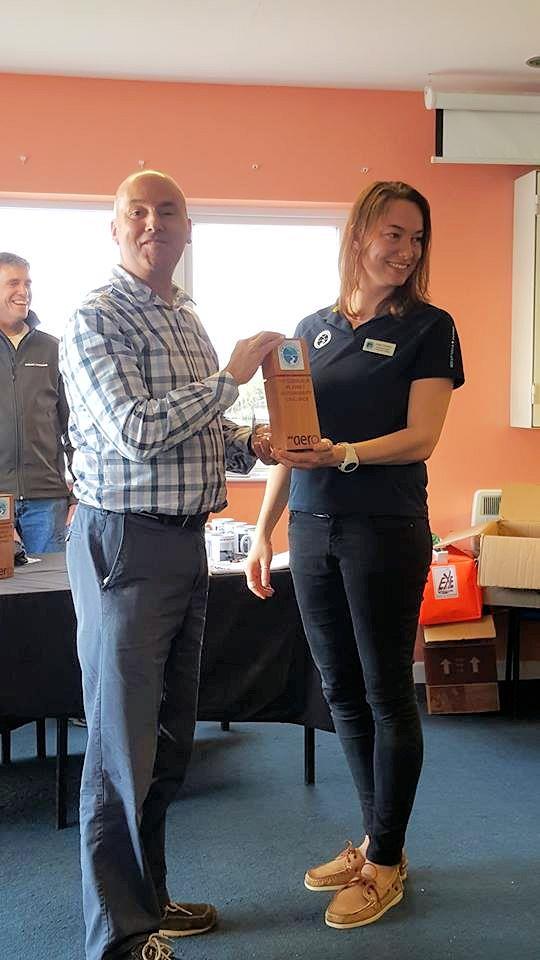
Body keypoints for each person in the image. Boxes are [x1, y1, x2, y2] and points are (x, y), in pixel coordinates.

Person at [59, 170, 283, 960]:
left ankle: (148, 901)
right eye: (137, 212)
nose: (154, 223)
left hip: (185, 542)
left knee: (166, 742)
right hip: (123, 543)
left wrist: (254, 442)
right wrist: (229, 382)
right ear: (117, 229)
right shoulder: (95, 317)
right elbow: (132, 430)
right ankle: (120, 938)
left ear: (188, 228)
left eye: (169, 211)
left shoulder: (186, 319)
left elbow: (196, 437)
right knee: (122, 750)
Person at [245, 181, 464, 929]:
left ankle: (388, 860)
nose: (404, 251)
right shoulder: (311, 330)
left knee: (385, 693)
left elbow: (420, 437)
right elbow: (291, 446)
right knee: (339, 694)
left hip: (384, 528)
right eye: (392, 234)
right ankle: (375, 841)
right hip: (310, 532)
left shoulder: (430, 328)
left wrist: (341, 455)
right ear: (360, 234)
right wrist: (264, 531)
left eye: (416, 238)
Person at [0, 252, 76, 553]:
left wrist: (79, 496)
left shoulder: (53, 349)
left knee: (47, 596)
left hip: (48, 501)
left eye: (27, 283)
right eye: (13, 283)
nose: (24, 292)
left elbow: (76, 429)